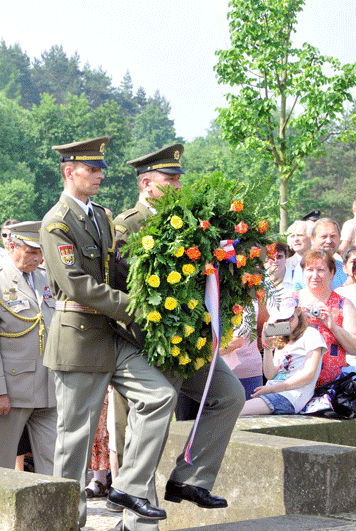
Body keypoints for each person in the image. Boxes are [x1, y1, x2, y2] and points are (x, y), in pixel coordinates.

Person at [41, 138, 181, 531]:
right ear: (69, 172)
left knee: (159, 396)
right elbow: (76, 285)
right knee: (75, 441)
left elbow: (114, 271)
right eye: (91, 169)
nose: (100, 175)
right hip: (78, 340)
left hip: (110, 334)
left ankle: (128, 487)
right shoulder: (57, 222)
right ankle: (66, 523)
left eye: (101, 168)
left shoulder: (101, 217)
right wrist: (135, 306)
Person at [110, 143, 241, 530]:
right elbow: (122, 286)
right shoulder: (128, 225)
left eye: (179, 179)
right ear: (146, 184)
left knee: (229, 395)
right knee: (149, 429)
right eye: (170, 179)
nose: (178, 185)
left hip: (189, 340)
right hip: (148, 343)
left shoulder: (190, 221)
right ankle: (136, 524)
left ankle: (191, 479)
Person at [0, 221, 57, 473]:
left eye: (40, 252)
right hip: (10, 389)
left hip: (47, 389)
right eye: (31, 252)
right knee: (0, 466)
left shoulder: (45, 278)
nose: (38, 258)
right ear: (11, 246)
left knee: (53, 464)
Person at [241, 300, 326, 416]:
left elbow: (309, 374)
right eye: (280, 321)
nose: (285, 324)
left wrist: (272, 389)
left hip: (291, 396)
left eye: (288, 319)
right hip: (272, 393)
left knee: (235, 412)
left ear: (298, 311)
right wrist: (266, 346)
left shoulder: (311, 334)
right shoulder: (281, 339)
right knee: (233, 410)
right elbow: (270, 374)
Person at [295, 250, 356, 386]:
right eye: (310, 270)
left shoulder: (344, 304)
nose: (315, 276)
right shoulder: (291, 301)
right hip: (294, 382)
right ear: (303, 272)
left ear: (332, 273)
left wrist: (334, 327)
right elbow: (274, 340)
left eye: (321, 270)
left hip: (331, 385)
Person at [293, 218, 346, 290]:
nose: (329, 241)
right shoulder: (304, 266)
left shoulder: (344, 269)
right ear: (312, 239)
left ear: (339, 238)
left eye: (333, 236)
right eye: (323, 237)